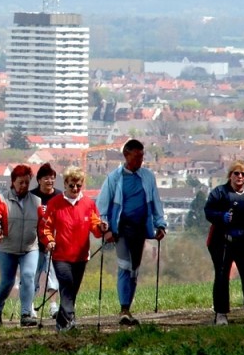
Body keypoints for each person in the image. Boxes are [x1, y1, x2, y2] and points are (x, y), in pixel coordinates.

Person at [96, 139, 167, 326]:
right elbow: (102, 206)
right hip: (121, 230)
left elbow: (155, 202)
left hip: (141, 229)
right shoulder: (114, 178)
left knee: (134, 269)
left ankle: (128, 308)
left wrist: (161, 225)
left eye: (142, 156)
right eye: (136, 157)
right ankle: (124, 308)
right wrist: (107, 230)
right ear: (126, 155)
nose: (140, 160)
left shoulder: (148, 177)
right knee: (124, 265)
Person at [42, 167, 105, 332]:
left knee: (72, 290)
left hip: (81, 255)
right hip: (61, 255)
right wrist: (49, 240)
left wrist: (101, 227)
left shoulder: (88, 204)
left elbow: (95, 227)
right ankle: (70, 320)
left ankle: (61, 323)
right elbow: (45, 227)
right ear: (65, 184)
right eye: (72, 186)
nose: (75, 189)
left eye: (78, 185)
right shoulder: (55, 203)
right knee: (67, 285)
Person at [204, 160, 244, 325]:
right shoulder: (219, 193)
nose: (240, 177)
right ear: (230, 175)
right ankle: (221, 313)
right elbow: (208, 211)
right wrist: (221, 217)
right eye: (236, 173)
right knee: (222, 275)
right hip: (221, 241)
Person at [0, 164, 43, 327]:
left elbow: (42, 225)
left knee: (28, 277)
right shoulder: (2, 199)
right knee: (7, 282)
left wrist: (47, 240)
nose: (24, 186)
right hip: (7, 248)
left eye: (27, 182)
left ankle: (26, 313)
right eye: (21, 182)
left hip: (30, 248)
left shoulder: (36, 201)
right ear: (13, 182)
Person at [31, 163, 62, 304]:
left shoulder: (59, 196)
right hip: (34, 243)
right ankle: (28, 307)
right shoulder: (31, 196)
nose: (49, 181)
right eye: (46, 178)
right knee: (33, 276)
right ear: (39, 180)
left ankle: (53, 306)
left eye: (52, 178)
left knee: (53, 276)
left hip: (53, 243)